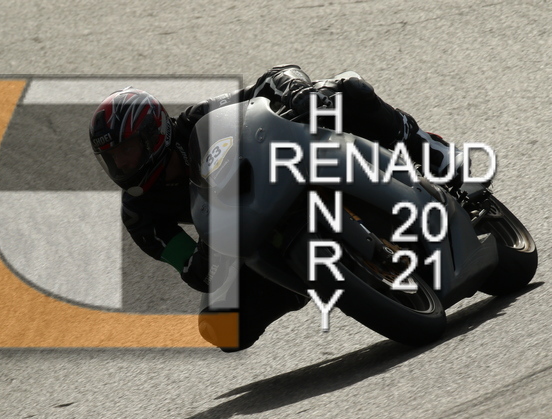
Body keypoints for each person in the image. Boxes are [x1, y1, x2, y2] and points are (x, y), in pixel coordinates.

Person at [88, 65, 463, 352]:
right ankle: (301, 280)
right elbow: (193, 270)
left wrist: (299, 93)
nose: (121, 165)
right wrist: (209, 250)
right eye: (112, 158)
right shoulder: (139, 215)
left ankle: (428, 148)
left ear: (154, 134)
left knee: (346, 89)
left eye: (126, 150)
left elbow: (268, 82)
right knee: (222, 327)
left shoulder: (195, 121)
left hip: (284, 166)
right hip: (246, 230)